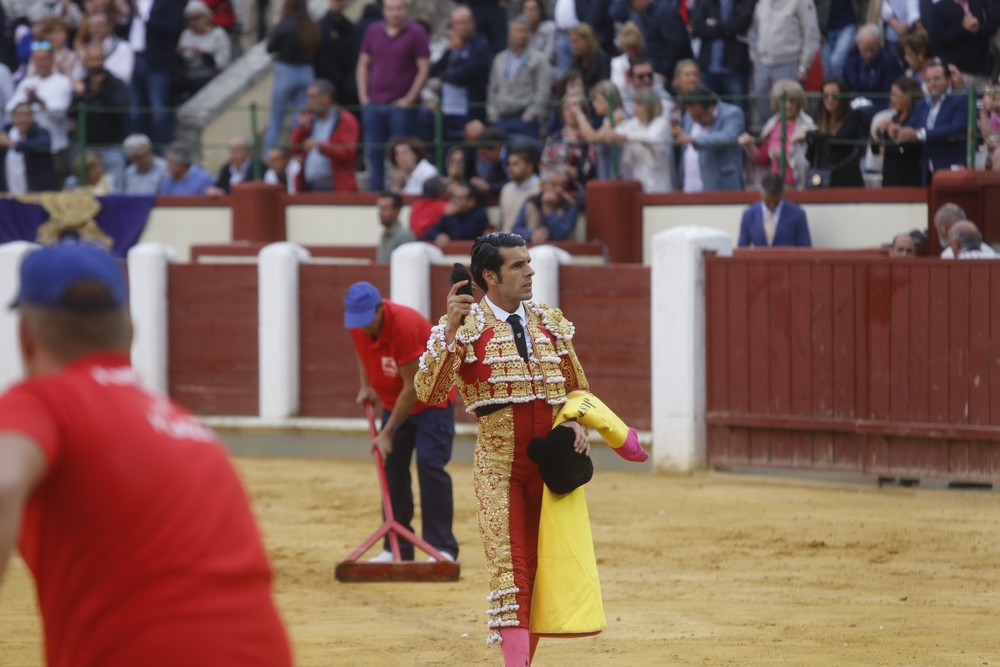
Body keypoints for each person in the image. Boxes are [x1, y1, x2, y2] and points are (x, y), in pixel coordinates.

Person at [0, 243, 293, 667]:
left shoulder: (46, 400)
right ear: (131, 332)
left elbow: (5, 480)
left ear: (25, 338)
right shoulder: (188, 428)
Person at [413, 232, 646, 665]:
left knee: (538, 575)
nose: (530, 271)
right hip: (500, 470)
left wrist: (576, 422)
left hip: (550, 468)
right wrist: (448, 329)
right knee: (511, 575)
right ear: (490, 276)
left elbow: (577, 387)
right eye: (518, 265)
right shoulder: (464, 327)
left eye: (528, 262)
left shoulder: (550, 322)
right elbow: (428, 391)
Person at [345, 281, 458, 563]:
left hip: (431, 399)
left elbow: (413, 388)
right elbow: (363, 352)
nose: (365, 328)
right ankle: (396, 548)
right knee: (393, 467)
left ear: (381, 308)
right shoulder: (359, 324)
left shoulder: (404, 326)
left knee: (430, 466)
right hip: (395, 401)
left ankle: (442, 547)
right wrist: (366, 385)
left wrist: (387, 432)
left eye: (368, 321)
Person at [356, 0, 431, 192]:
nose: (395, 13)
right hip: (374, 104)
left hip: (402, 107)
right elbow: (363, 64)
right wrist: (364, 97)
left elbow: (424, 69)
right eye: (391, 9)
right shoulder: (373, 31)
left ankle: (406, 193)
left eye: (399, 8)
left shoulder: (416, 33)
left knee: (404, 155)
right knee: (374, 154)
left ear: (405, 10)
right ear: (384, 12)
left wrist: (409, 98)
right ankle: (375, 195)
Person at [6, 43, 72, 187]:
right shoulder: (28, 82)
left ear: (52, 60)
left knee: (55, 190)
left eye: (44, 59)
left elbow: (60, 113)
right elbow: (10, 107)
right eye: (37, 59)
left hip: (55, 147)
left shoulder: (63, 82)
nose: (40, 63)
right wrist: (27, 104)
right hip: (29, 146)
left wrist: (38, 101)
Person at [889, 61, 968, 183]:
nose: (932, 83)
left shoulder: (961, 99)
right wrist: (896, 132)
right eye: (928, 80)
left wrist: (920, 134)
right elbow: (911, 127)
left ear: (949, 80)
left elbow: (957, 127)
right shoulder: (922, 104)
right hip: (927, 169)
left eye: (937, 79)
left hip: (952, 167)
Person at [749, 0, 820, 129]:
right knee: (764, 111)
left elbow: (811, 33)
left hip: (789, 62)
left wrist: (804, 66)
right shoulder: (762, 3)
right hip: (763, 64)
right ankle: (768, 145)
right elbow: (754, 34)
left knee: (789, 110)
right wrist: (756, 64)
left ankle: (787, 146)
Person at [263, 0, 321, 153]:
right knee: (301, 121)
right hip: (306, 71)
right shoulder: (311, 25)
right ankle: (300, 158)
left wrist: (276, 26)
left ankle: (267, 161)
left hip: (286, 71)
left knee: (276, 121)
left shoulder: (285, 24)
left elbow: (270, 47)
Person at [70, 42, 129, 189]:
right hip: (87, 148)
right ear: (86, 61)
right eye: (93, 59)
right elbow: (71, 114)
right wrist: (80, 96)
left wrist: (101, 93)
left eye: (99, 59)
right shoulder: (82, 85)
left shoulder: (116, 83)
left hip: (112, 148)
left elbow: (120, 110)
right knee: (82, 191)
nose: (96, 63)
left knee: (115, 192)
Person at [738, 79, 815, 188]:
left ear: (799, 102)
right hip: (775, 187)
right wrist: (748, 144)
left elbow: (809, 163)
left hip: (798, 185)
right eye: (784, 101)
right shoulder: (773, 124)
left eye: (792, 101)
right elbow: (761, 158)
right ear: (777, 103)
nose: (788, 106)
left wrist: (785, 158)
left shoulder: (807, 125)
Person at [128, 0, 186, 146]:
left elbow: (172, 27)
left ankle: (164, 155)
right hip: (132, 59)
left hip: (157, 63)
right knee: (135, 113)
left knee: (159, 113)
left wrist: (144, 18)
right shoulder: (131, 3)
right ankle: (138, 155)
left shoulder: (168, 2)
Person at [430, 5, 491, 141]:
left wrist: (443, 75)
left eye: (465, 22)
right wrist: (449, 51)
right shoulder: (451, 46)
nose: (461, 27)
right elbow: (432, 71)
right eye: (457, 23)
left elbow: (461, 76)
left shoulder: (480, 46)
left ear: (473, 24)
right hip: (446, 110)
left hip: (468, 111)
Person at [486, 16, 551, 141]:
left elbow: (543, 91)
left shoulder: (539, 59)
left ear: (530, 33)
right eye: (517, 30)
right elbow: (492, 88)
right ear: (510, 32)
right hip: (501, 118)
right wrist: (493, 114)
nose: (521, 34)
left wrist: (529, 116)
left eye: (525, 31)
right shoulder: (499, 59)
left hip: (525, 118)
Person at [289, 79, 360, 192]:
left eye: (312, 97)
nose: (308, 101)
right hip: (309, 187)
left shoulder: (346, 121)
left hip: (334, 186)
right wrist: (301, 128)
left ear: (326, 97)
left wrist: (321, 146)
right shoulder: (310, 120)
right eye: (308, 97)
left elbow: (347, 153)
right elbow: (295, 150)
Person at [675, 86, 746, 192]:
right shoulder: (688, 115)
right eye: (692, 116)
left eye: (699, 116)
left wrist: (695, 139)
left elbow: (727, 136)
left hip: (721, 186)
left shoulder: (732, 113)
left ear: (711, 107)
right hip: (690, 185)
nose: (695, 120)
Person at [690, 0, 755, 114]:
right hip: (708, 69)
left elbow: (740, 26)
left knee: (737, 111)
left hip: (735, 69)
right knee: (707, 111)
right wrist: (727, 30)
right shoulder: (707, 3)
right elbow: (697, 29)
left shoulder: (743, 3)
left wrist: (716, 24)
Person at [610, 87, 672, 192]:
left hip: (659, 183)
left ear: (649, 106)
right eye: (634, 104)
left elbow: (650, 137)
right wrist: (613, 134)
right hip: (639, 181)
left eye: (639, 104)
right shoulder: (636, 122)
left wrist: (626, 136)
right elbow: (620, 130)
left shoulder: (662, 122)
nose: (635, 108)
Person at [806, 77, 865, 187]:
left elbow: (839, 140)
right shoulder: (818, 117)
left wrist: (812, 135)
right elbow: (810, 154)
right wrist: (810, 139)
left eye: (835, 96)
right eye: (826, 96)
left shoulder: (853, 116)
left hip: (846, 177)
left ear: (843, 97)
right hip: (820, 175)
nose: (830, 100)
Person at [927, 0, 997, 90]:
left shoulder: (980, 2)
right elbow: (936, 40)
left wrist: (979, 28)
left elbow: (993, 26)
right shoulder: (938, 8)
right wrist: (962, 28)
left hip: (983, 72)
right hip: (958, 74)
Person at [869, 76, 923, 186]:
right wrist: (878, 132)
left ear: (907, 95)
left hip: (909, 178)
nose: (892, 99)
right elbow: (875, 149)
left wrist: (892, 141)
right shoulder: (893, 118)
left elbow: (907, 151)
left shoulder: (918, 119)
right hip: (889, 178)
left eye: (895, 94)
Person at [173, 0, 231, 101]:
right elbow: (182, 64)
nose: (193, 23)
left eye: (197, 18)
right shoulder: (186, 34)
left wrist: (203, 55)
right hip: (190, 77)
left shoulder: (218, 34)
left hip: (211, 76)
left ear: (206, 17)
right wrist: (179, 55)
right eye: (190, 19)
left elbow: (223, 64)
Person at [541, 93, 597, 193]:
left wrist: (573, 171)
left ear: (583, 111)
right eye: (567, 108)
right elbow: (544, 163)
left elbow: (593, 164)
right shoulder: (554, 137)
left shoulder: (590, 136)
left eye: (575, 107)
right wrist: (556, 171)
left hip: (580, 188)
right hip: (554, 187)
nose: (571, 112)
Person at [738, 172, 813, 246]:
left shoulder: (798, 214)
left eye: (776, 201)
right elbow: (742, 248)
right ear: (761, 194)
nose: (772, 205)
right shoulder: (749, 215)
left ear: (782, 193)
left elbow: (805, 248)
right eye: (768, 201)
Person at [842, 24, 902, 112]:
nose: (869, 55)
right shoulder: (852, 59)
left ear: (879, 44)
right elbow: (846, 86)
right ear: (858, 45)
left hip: (879, 106)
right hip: (856, 103)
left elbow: (889, 94)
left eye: (872, 50)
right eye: (865, 50)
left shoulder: (889, 62)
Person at [0, 103, 56, 193]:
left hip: (35, 193)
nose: (23, 119)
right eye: (19, 115)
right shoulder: (6, 131)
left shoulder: (41, 132)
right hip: (8, 192)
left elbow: (42, 144)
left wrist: (13, 144)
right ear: (13, 117)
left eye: (26, 115)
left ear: (32, 117)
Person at [512, 168, 577, 242]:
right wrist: (531, 234)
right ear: (542, 186)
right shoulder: (530, 202)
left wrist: (548, 211)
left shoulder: (569, 205)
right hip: (532, 251)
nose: (559, 190)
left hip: (560, 252)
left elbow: (560, 235)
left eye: (561, 185)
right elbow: (515, 230)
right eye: (554, 185)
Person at [315, 0, 358, 109]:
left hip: (349, 86)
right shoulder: (321, 26)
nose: (338, 2)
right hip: (330, 86)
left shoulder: (348, 26)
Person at [645, 0, 693, 93]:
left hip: (672, 71)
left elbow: (678, 43)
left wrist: (664, 70)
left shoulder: (664, 10)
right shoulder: (655, 10)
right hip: (663, 71)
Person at [423, 180, 489, 246]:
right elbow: (429, 232)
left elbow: (460, 236)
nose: (454, 201)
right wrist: (438, 235)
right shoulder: (454, 212)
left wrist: (451, 215)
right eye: (453, 197)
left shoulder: (479, 214)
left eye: (459, 198)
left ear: (471, 201)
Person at [814, 0, 867, 79]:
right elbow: (810, 5)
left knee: (836, 62)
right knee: (827, 68)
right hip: (825, 30)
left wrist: (862, 22)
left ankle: (838, 89)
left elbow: (865, 3)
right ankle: (829, 90)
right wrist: (816, 29)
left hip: (848, 25)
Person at [498, 146, 541, 233]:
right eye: (509, 164)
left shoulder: (541, 188)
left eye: (515, 164)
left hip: (533, 245)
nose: (510, 168)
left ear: (530, 166)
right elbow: (501, 224)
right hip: (506, 244)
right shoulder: (506, 189)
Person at [85, 10, 134, 84]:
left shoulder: (123, 47)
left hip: (115, 92)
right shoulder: (85, 48)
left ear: (109, 26)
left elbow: (124, 78)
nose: (94, 29)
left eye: (99, 25)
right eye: (91, 26)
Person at [374, 191, 415, 262]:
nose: (380, 213)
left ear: (397, 211)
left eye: (385, 208)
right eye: (380, 208)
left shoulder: (404, 237)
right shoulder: (384, 234)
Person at [469, 125, 510, 196]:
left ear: (496, 148)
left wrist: (490, 187)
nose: (483, 159)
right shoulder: (495, 161)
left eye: (485, 154)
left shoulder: (515, 153)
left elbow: (515, 183)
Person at [567, 24, 609, 91]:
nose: (574, 46)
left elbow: (604, 85)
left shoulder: (602, 59)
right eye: (571, 42)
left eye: (576, 41)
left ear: (587, 40)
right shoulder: (576, 61)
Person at [522, 0, 557, 76]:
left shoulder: (550, 28)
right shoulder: (523, 31)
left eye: (532, 9)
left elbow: (548, 56)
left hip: (548, 69)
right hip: (528, 70)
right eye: (526, 9)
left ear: (540, 11)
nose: (529, 12)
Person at [609, 20, 644, 93]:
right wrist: (628, 82)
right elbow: (616, 88)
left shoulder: (647, 60)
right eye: (628, 47)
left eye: (634, 47)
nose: (632, 51)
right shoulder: (617, 63)